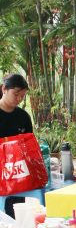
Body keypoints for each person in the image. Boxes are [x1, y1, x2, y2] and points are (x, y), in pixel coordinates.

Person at [0, 74, 34, 217]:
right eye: (16, 94)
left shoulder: (23, 117)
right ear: (4, 89)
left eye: (23, 96)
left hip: (19, 173)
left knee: (17, 213)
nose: (19, 99)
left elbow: (30, 146)